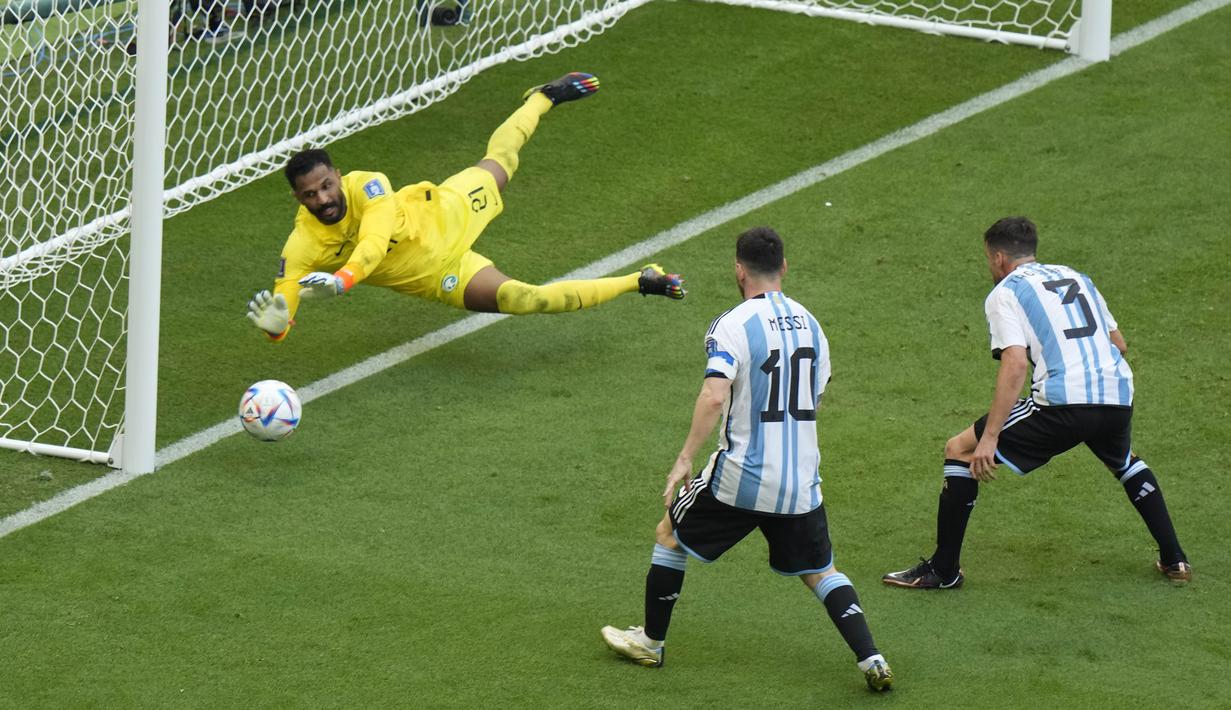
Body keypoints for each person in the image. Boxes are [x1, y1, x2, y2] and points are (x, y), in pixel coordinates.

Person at [599, 227, 894, 692]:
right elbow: (818, 390)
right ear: (784, 268)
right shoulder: (812, 323)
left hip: (741, 477)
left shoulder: (731, 324)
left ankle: (651, 643)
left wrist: (683, 459)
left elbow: (715, 396)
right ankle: (870, 657)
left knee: (669, 534)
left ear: (739, 269)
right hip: (800, 481)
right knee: (821, 571)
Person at [246, 73, 685, 341]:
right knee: (527, 299)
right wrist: (276, 328)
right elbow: (283, 307)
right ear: (297, 199)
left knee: (502, 161)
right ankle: (640, 281)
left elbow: (374, 242)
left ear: (337, 176)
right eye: (310, 194)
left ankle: (543, 97)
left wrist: (342, 280)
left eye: (326, 186)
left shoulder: (369, 186)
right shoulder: (302, 244)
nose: (322, 199)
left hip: (448, 211)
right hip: (442, 274)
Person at [883, 216, 1191, 590]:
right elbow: (1119, 344)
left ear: (998, 258)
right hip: (1117, 393)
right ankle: (1175, 559)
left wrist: (991, 436)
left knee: (960, 449)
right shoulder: (1076, 277)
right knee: (1124, 462)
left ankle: (943, 570)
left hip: (1062, 404)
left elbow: (1014, 364)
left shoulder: (1005, 292)